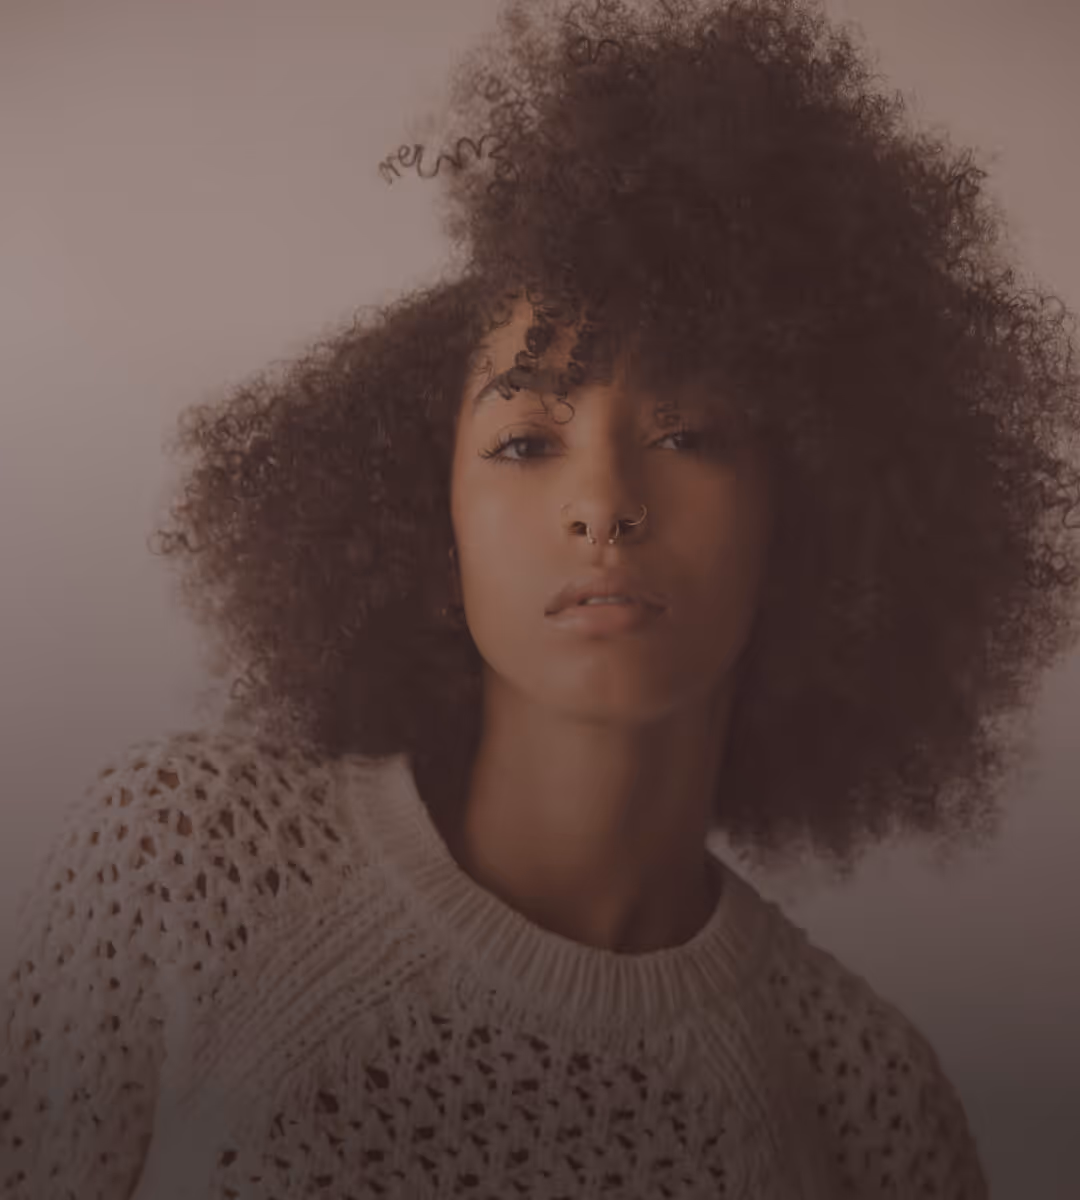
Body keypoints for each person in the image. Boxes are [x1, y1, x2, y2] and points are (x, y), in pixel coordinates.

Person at [4, 0, 1079, 1195]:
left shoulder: (869, 1104)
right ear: (427, 518)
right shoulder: (187, 860)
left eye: (689, 434)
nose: (605, 503)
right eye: (524, 444)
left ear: (812, 517)